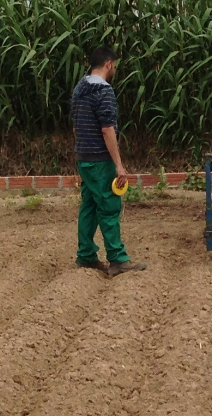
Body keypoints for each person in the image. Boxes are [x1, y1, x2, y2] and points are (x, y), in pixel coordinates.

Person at [71, 47, 147, 277]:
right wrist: (119, 164)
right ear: (108, 64)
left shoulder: (79, 89)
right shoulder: (103, 92)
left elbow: (76, 126)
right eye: (114, 65)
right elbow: (107, 130)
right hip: (100, 160)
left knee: (90, 206)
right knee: (109, 206)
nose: (114, 68)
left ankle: (86, 255)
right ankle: (117, 258)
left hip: (83, 158)